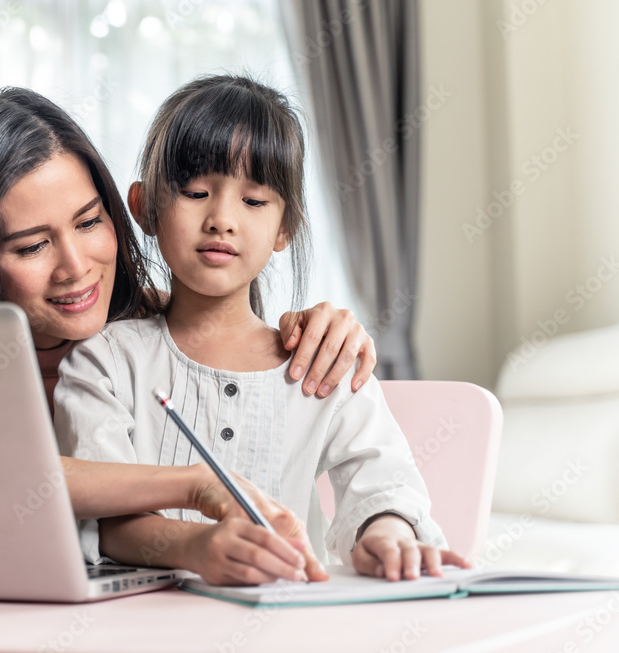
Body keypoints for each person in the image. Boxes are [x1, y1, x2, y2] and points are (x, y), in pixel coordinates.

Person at [0, 85, 378, 580]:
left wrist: (323, 327)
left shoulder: (138, 328)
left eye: (90, 221)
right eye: (32, 247)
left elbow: (221, 322)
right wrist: (194, 487)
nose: (76, 268)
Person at [53, 74, 469, 586]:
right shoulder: (105, 361)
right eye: (196, 191)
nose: (222, 219)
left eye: (253, 201)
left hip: (290, 629)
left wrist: (386, 533)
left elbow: (383, 483)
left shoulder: (320, 363)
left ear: (284, 229)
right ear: (144, 208)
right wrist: (196, 547)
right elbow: (106, 519)